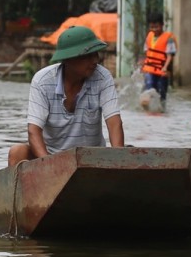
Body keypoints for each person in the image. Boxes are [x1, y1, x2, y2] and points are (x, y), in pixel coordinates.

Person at [10, 24, 124, 166]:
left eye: (96, 54)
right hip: (52, 157)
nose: (95, 60)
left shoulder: (102, 77)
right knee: (17, 152)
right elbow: (34, 131)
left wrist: (119, 162)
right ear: (68, 59)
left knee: (122, 154)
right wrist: (50, 166)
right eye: (87, 56)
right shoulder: (42, 81)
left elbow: (114, 123)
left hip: (90, 159)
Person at [141, 16, 177, 107]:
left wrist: (165, 67)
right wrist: (143, 63)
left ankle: (161, 110)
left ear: (162, 25)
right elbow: (147, 52)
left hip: (162, 71)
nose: (154, 29)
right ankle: (147, 107)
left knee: (162, 93)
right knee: (149, 87)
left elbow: (170, 55)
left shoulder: (169, 38)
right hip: (150, 69)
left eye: (156, 27)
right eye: (152, 27)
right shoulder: (149, 36)